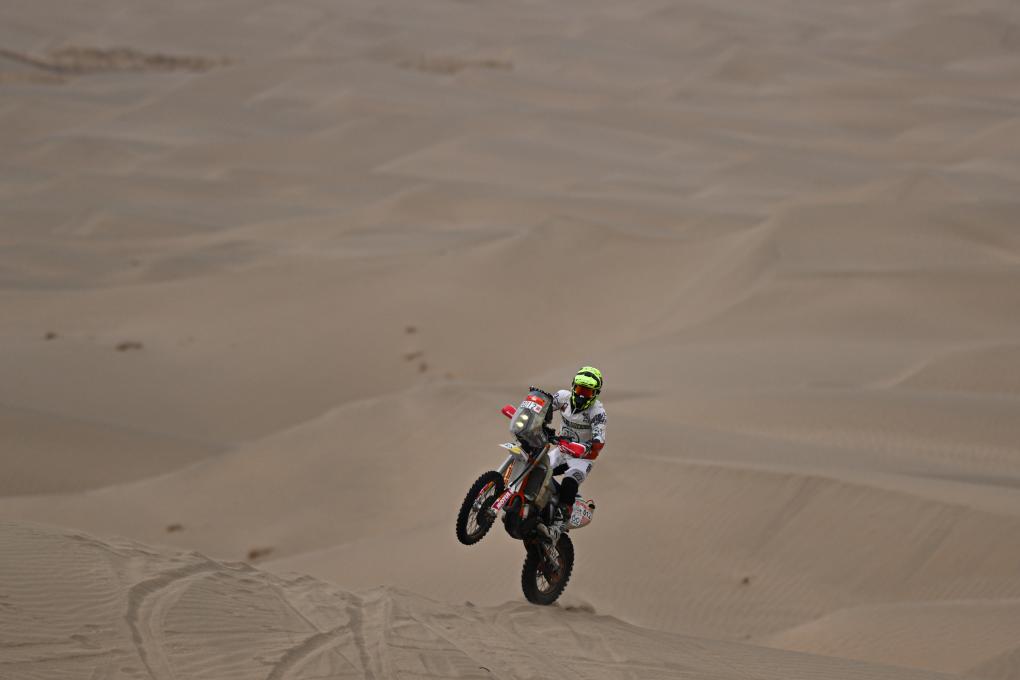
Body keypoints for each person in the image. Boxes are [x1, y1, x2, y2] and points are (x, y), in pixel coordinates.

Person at [546, 366, 606, 527]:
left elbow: (599, 440)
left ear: (595, 394)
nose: (581, 395)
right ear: (573, 386)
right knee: (538, 468)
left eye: (587, 392)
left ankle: (563, 514)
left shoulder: (598, 412)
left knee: (570, 480)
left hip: (582, 458)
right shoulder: (563, 397)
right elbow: (545, 406)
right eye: (580, 389)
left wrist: (587, 447)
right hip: (561, 450)